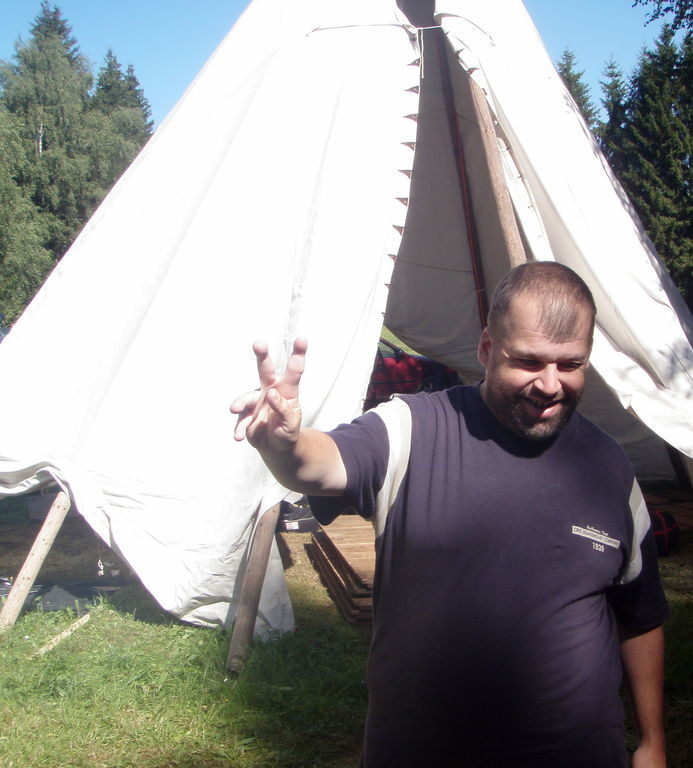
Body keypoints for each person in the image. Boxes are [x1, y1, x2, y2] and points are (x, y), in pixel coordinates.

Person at [231, 263, 668, 767]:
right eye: (529, 362)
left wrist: (652, 742)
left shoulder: (608, 467)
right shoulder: (410, 430)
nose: (550, 385)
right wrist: (285, 446)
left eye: (570, 365)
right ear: (486, 349)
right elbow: (320, 464)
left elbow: (640, 613)